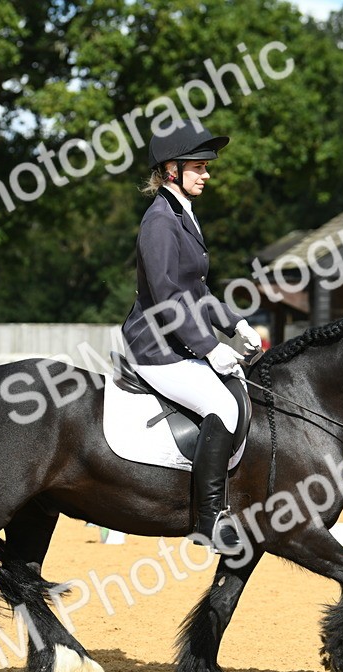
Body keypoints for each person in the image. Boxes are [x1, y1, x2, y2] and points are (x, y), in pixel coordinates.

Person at [120, 120, 262, 555]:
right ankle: (210, 519)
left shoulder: (182, 215)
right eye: (198, 167)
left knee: (239, 390)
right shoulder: (160, 221)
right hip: (155, 345)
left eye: (205, 167)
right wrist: (210, 347)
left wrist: (235, 323)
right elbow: (165, 295)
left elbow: (196, 290)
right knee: (220, 403)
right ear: (170, 171)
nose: (206, 174)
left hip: (178, 340)